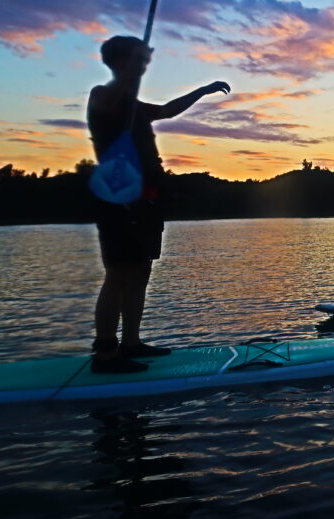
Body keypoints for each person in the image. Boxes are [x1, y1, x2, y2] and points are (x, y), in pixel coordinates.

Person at [87, 35, 230, 372]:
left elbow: (166, 110)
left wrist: (202, 90)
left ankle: (131, 342)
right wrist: (132, 68)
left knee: (140, 273)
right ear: (120, 62)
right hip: (119, 199)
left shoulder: (133, 106)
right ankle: (105, 354)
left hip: (147, 200)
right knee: (119, 273)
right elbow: (116, 90)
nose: (145, 64)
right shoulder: (103, 96)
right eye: (138, 59)